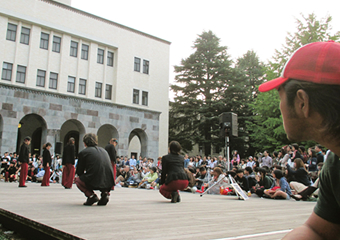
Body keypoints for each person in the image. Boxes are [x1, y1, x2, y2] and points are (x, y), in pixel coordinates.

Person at [258, 41, 340, 239]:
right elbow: (318, 230)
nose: (280, 107)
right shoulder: (335, 162)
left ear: (302, 102)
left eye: (280, 98)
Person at [75, 133, 115, 206]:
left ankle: (91, 196)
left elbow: (79, 172)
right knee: (102, 175)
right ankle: (105, 193)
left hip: (94, 180)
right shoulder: (104, 151)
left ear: (84, 143)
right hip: (109, 181)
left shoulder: (84, 152)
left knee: (78, 180)